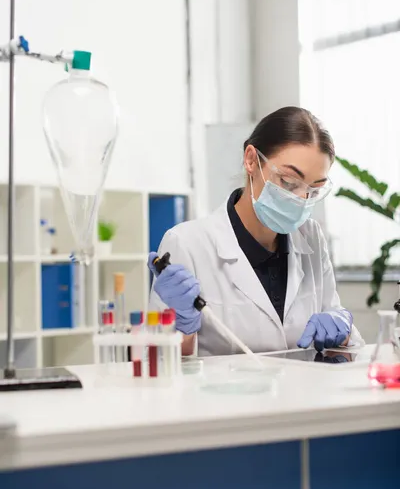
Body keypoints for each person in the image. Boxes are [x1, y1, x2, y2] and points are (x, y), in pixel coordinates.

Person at [148, 106, 363, 357]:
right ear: (251, 160)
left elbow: (345, 341)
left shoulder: (311, 237)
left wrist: (343, 328)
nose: (301, 200)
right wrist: (182, 328)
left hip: (304, 395)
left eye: (313, 190)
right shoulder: (187, 244)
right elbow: (156, 365)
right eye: (289, 182)